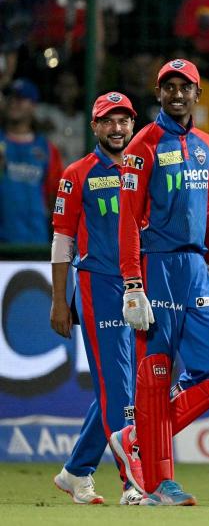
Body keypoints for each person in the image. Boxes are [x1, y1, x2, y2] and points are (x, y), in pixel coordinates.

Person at [111, 58, 209, 506]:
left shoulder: (206, 144)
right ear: (159, 93)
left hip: (196, 269)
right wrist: (132, 283)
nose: (177, 94)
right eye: (169, 87)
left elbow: (208, 213)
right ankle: (159, 484)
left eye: (185, 87)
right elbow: (129, 218)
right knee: (155, 376)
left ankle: (134, 439)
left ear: (198, 94)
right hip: (157, 266)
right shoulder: (143, 144)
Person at [50, 92, 141, 506]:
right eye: (108, 121)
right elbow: (62, 241)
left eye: (123, 121)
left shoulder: (144, 167)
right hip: (98, 285)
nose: (117, 129)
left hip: (139, 286)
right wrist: (59, 300)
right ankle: (133, 482)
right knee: (119, 386)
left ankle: (76, 471)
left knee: (120, 386)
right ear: (95, 127)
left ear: (133, 125)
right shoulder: (77, 174)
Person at [0, 78, 64, 244]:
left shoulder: (47, 148)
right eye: (10, 98)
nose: (13, 103)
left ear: (33, 105)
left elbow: (56, 196)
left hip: (36, 239)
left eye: (21, 98)